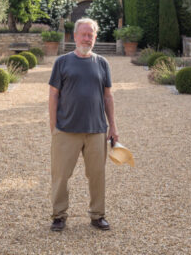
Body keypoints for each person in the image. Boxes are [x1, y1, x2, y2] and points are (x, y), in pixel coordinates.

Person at [48, 17, 118, 232]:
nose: (87, 38)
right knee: (60, 176)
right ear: (75, 36)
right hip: (66, 130)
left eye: (91, 35)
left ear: (95, 38)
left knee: (97, 176)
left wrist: (113, 126)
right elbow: (53, 96)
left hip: (96, 130)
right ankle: (58, 216)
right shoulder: (62, 62)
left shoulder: (102, 63)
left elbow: (108, 97)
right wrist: (54, 128)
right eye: (84, 34)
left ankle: (98, 215)